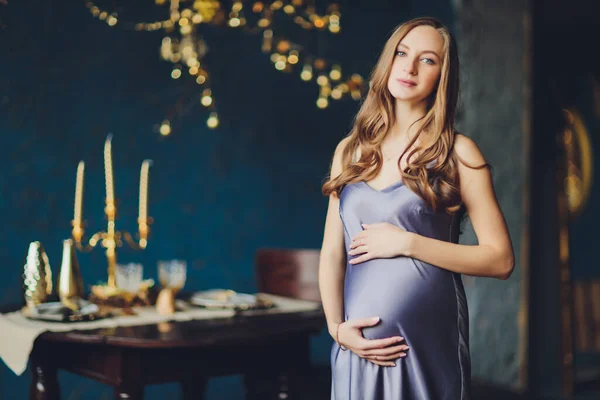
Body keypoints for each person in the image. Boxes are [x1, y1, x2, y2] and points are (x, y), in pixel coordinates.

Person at [318, 17, 515, 400]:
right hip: (355, 344)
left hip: (427, 341)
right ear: (388, 62)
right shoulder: (350, 150)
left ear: (443, 76)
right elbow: (332, 253)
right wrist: (337, 329)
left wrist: (407, 243)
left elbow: (500, 260)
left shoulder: (458, 153)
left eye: (428, 60)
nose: (408, 67)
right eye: (402, 54)